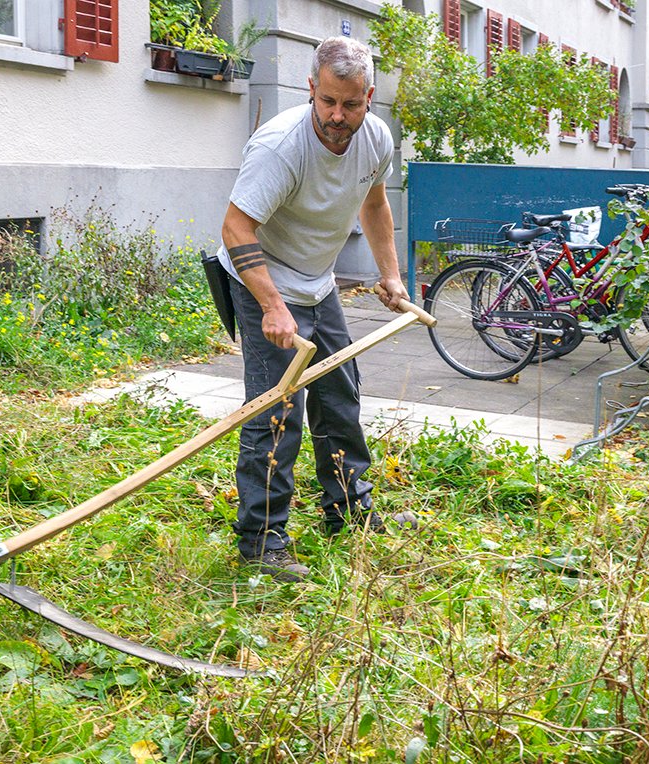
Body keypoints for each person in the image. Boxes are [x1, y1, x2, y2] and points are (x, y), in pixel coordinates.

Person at [215, 36, 411, 582]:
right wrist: (272, 306)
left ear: (368, 97)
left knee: (339, 393)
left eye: (350, 104)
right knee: (276, 410)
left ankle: (350, 510)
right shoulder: (281, 146)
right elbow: (235, 228)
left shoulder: (375, 140)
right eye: (327, 100)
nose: (336, 115)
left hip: (316, 282)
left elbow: (374, 205)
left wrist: (390, 275)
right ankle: (262, 540)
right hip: (262, 281)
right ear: (311, 89)